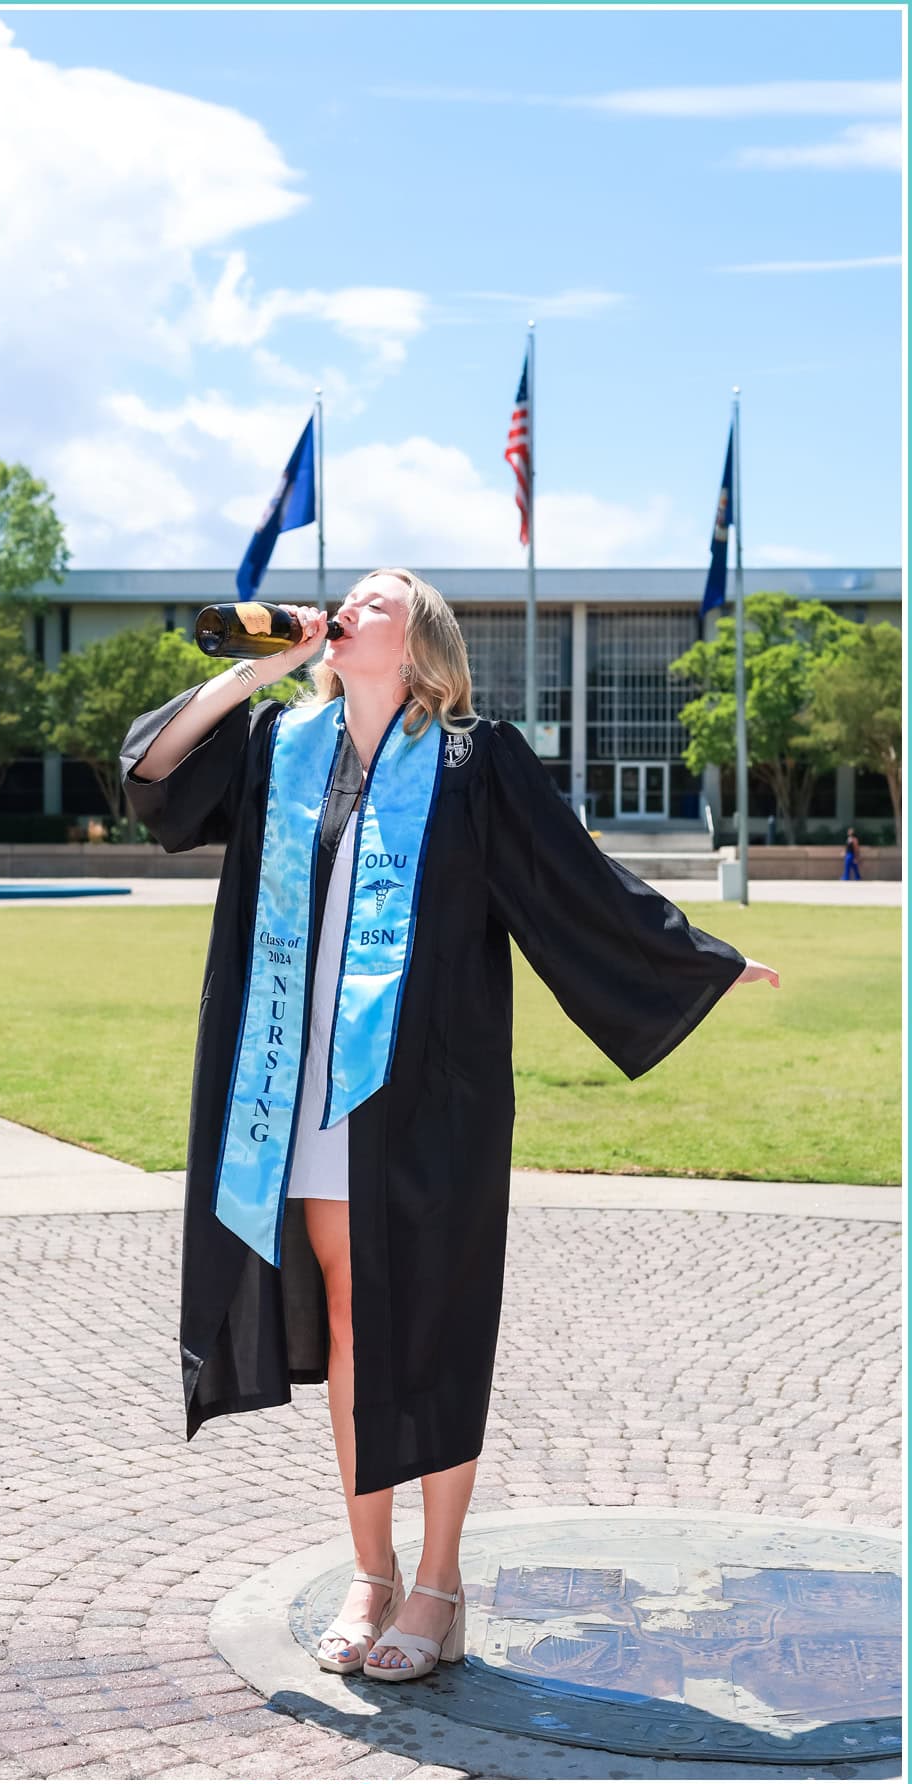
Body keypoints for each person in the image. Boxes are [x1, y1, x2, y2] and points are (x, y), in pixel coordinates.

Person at [118, 570, 780, 1683]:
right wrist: (258, 667)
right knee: (349, 1327)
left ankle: (441, 1582)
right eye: (346, 600)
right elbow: (154, 775)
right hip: (301, 1092)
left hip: (432, 1097)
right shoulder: (283, 748)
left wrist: (693, 962)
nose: (347, 607)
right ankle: (369, 1573)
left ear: (422, 647)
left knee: (431, 1324)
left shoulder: (476, 762)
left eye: (376, 600)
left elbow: (575, 885)